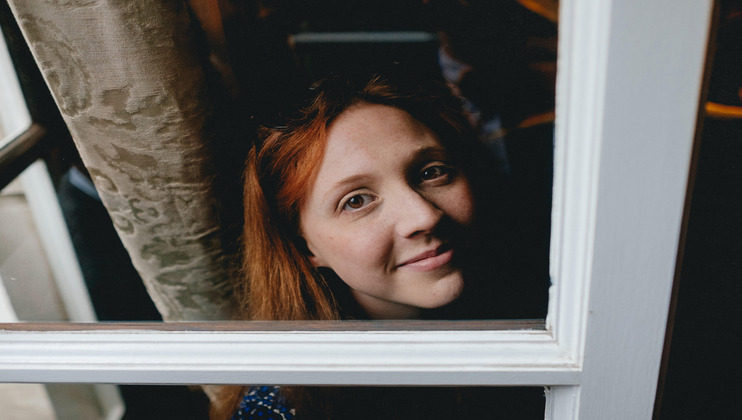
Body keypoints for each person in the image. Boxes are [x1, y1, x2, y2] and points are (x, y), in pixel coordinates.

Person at [211, 70, 545, 419]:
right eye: (356, 201)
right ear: (306, 248)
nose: (424, 217)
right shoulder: (285, 407)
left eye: (431, 172)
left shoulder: (549, 314)